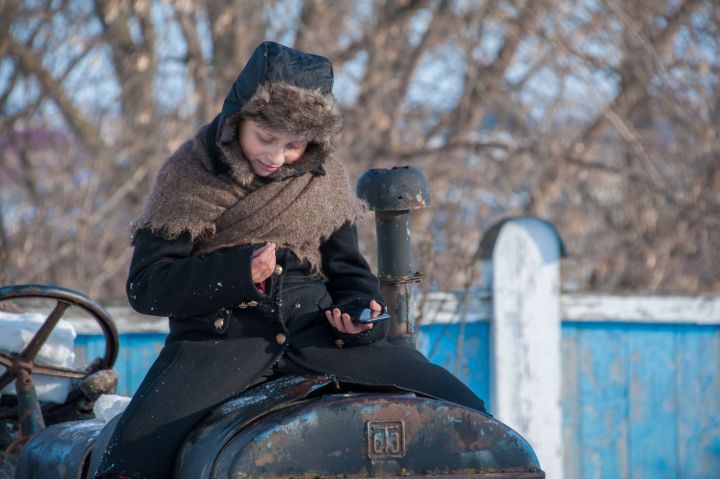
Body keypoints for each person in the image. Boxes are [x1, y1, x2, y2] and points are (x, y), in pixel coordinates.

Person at [96, 41, 486, 479]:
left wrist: (361, 316)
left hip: (319, 338)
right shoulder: (188, 175)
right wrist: (237, 274)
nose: (276, 157)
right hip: (217, 347)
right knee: (127, 462)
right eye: (266, 138)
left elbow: (349, 274)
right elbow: (146, 287)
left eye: (294, 145)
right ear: (237, 117)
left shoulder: (325, 180)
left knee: (471, 414)